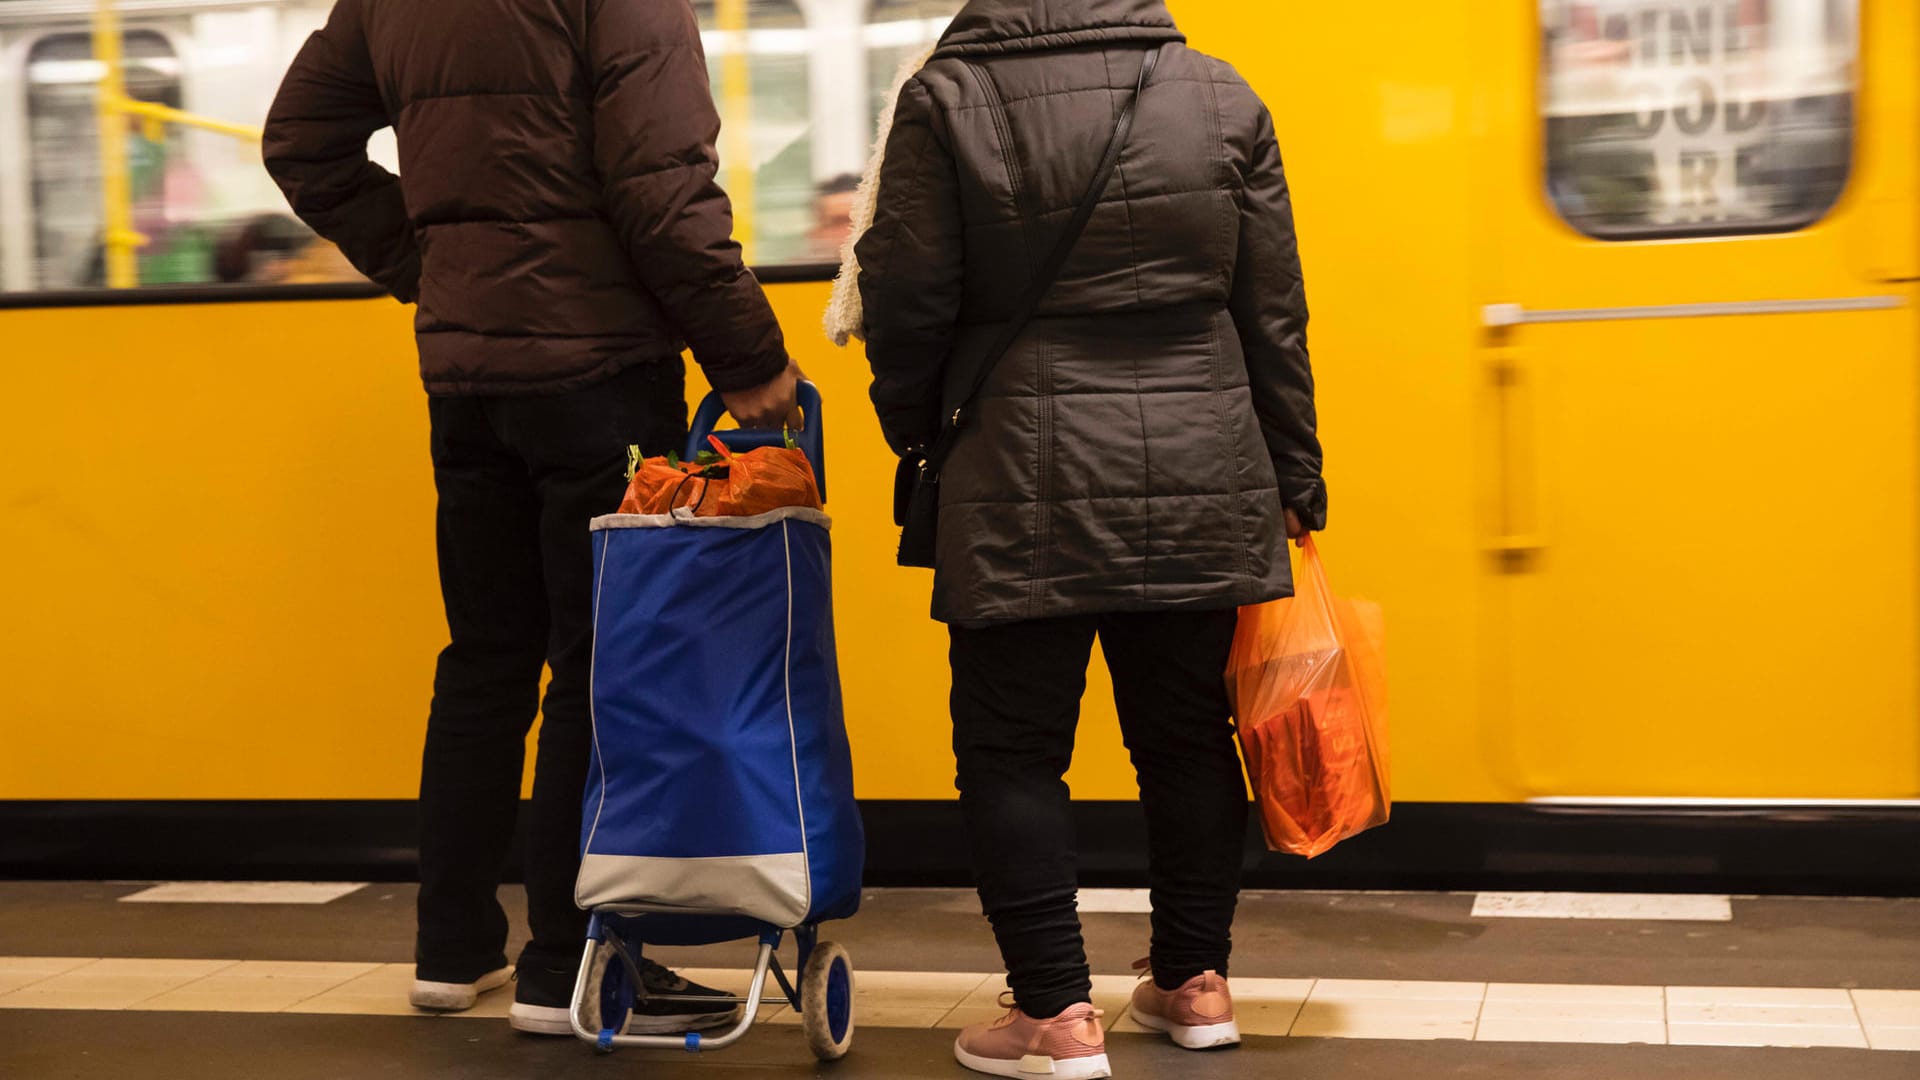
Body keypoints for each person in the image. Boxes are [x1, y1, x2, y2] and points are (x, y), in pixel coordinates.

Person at [263, 0, 800, 1036]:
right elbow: (664, 190)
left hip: (468, 381)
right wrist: (748, 358)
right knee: (598, 667)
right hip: (596, 373)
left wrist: (442, 270)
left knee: (484, 657)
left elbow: (300, 140)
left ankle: (452, 949)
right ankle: (573, 965)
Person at [851, 1, 1325, 1076]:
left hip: (1020, 467)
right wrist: (1295, 472)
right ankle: (1195, 984)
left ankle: (1055, 1015)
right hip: (1205, 462)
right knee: (1189, 740)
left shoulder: (949, 96)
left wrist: (920, 432)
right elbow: (1275, 308)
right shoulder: (1219, 92)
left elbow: (908, 296)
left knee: (1014, 751)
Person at [807, 173, 861, 260]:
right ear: (816, 232)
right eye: (838, 222)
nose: (848, 234)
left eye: (857, 223)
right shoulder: (794, 269)